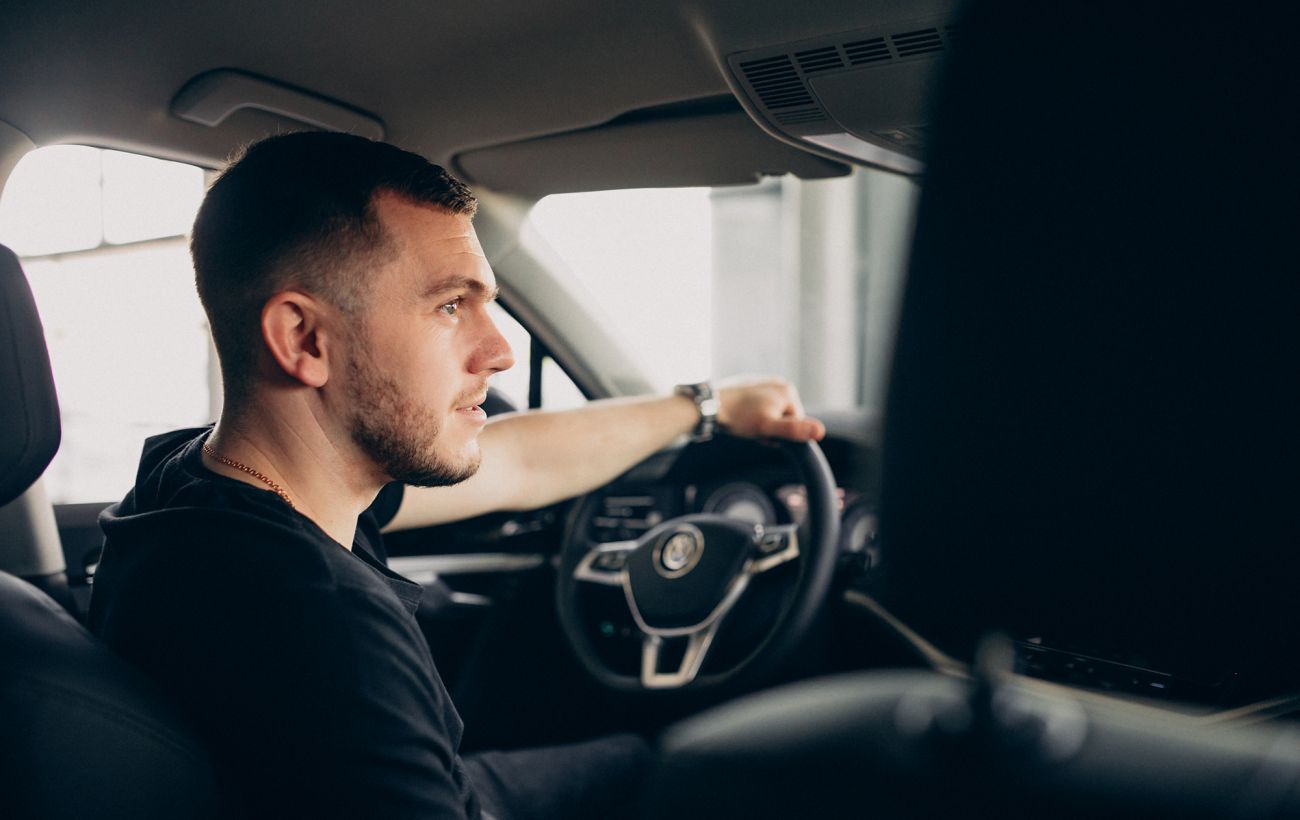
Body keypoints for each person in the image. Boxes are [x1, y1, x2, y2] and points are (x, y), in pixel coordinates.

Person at [87, 131, 825, 820]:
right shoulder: (327, 627)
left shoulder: (192, 482)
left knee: (651, 760)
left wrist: (706, 406)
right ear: (304, 338)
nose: (500, 351)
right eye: (450, 305)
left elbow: (519, 461)